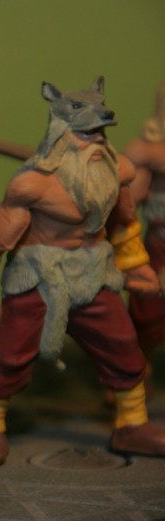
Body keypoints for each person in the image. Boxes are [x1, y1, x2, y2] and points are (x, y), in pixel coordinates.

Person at [0, 77, 165, 470]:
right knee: (10, 352)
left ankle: (131, 424)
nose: (96, 141)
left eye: (99, 133)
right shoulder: (31, 185)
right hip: (38, 276)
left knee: (123, 346)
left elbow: (123, 224)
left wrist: (137, 266)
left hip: (93, 274)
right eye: (86, 134)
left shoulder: (118, 171)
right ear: (62, 132)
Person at [125, 83, 165, 368]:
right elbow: (131, 197)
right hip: (159, 244)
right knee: (147, 311)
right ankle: (139, 371)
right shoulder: (146, 149)